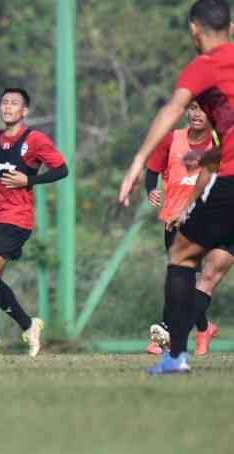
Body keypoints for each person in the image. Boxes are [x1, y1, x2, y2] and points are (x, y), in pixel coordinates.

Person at [119, 0, 234, 374]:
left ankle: (175, 357)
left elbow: (172, 108)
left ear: (194, 31)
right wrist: (207, 158)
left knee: (183, 256)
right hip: (223, 166)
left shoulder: (206, 65)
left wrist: (138, 161)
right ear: (231, 27)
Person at [0, 88, 68, 358]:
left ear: (24, 111)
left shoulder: (35, 139)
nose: (8, 107)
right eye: (5, 102)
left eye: (14, 103)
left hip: (17, 218)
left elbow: (62, 169)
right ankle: (29, 325)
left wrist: (30, 180)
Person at [143, 101, 224, 356]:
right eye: (193, 108)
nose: (197, 114)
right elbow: (152, 169)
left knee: (206, 278)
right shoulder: (172, 139)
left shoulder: (222, 144)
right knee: (182, 281)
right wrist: (151, 189)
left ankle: (165, 333)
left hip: (212, 220)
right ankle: (203, 327)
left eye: (203, 109)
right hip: (175, 220)